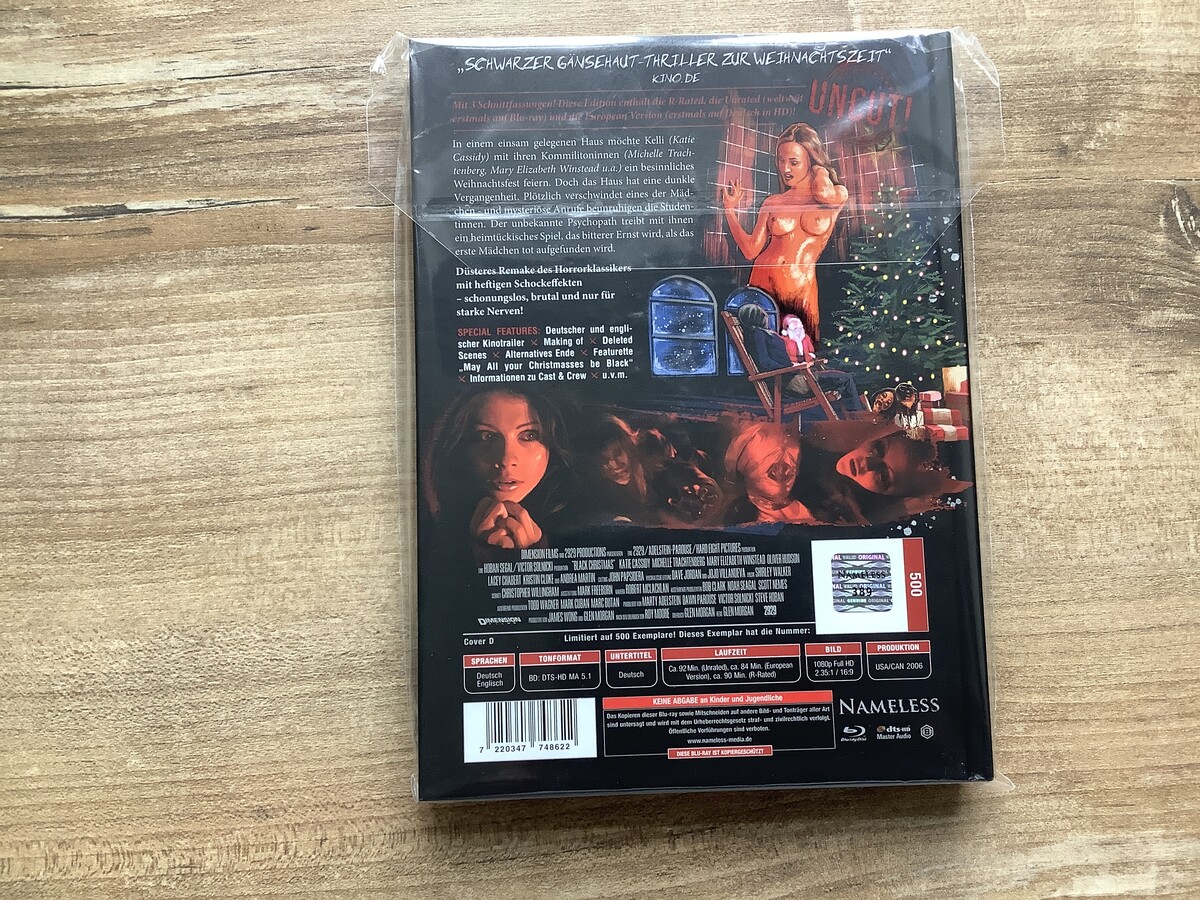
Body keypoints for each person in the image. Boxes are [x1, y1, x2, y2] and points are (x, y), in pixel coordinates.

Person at [720, 122, 848, 342]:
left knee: (804, 351)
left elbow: (823, 193)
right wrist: (729, 210)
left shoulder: (836, 194)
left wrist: (820, 170)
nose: (785, 169)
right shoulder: (773, 202)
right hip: (763, 285)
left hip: (801, 290)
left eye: (794, 162)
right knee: (762, 349)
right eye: (781, 161)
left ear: (811, 160)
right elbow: (750, 251)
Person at [423, 388, 571, 558]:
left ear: (553, 444)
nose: (506, 460)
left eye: (529, 436)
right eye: (486, 436)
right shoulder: (424, 536)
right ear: (458, 445)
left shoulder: (584, 534)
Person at [793, 420, 971, 526]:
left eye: (883, 476)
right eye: (878, 448)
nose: (867, 463)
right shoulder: (817, 437)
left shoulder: (838, 518)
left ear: (890, 496)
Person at [723, 422, 816, 524]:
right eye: (769, 466)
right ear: (745, 469)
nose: (782, 472)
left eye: (792, 463)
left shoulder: (806, 511)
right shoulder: (738, 519)